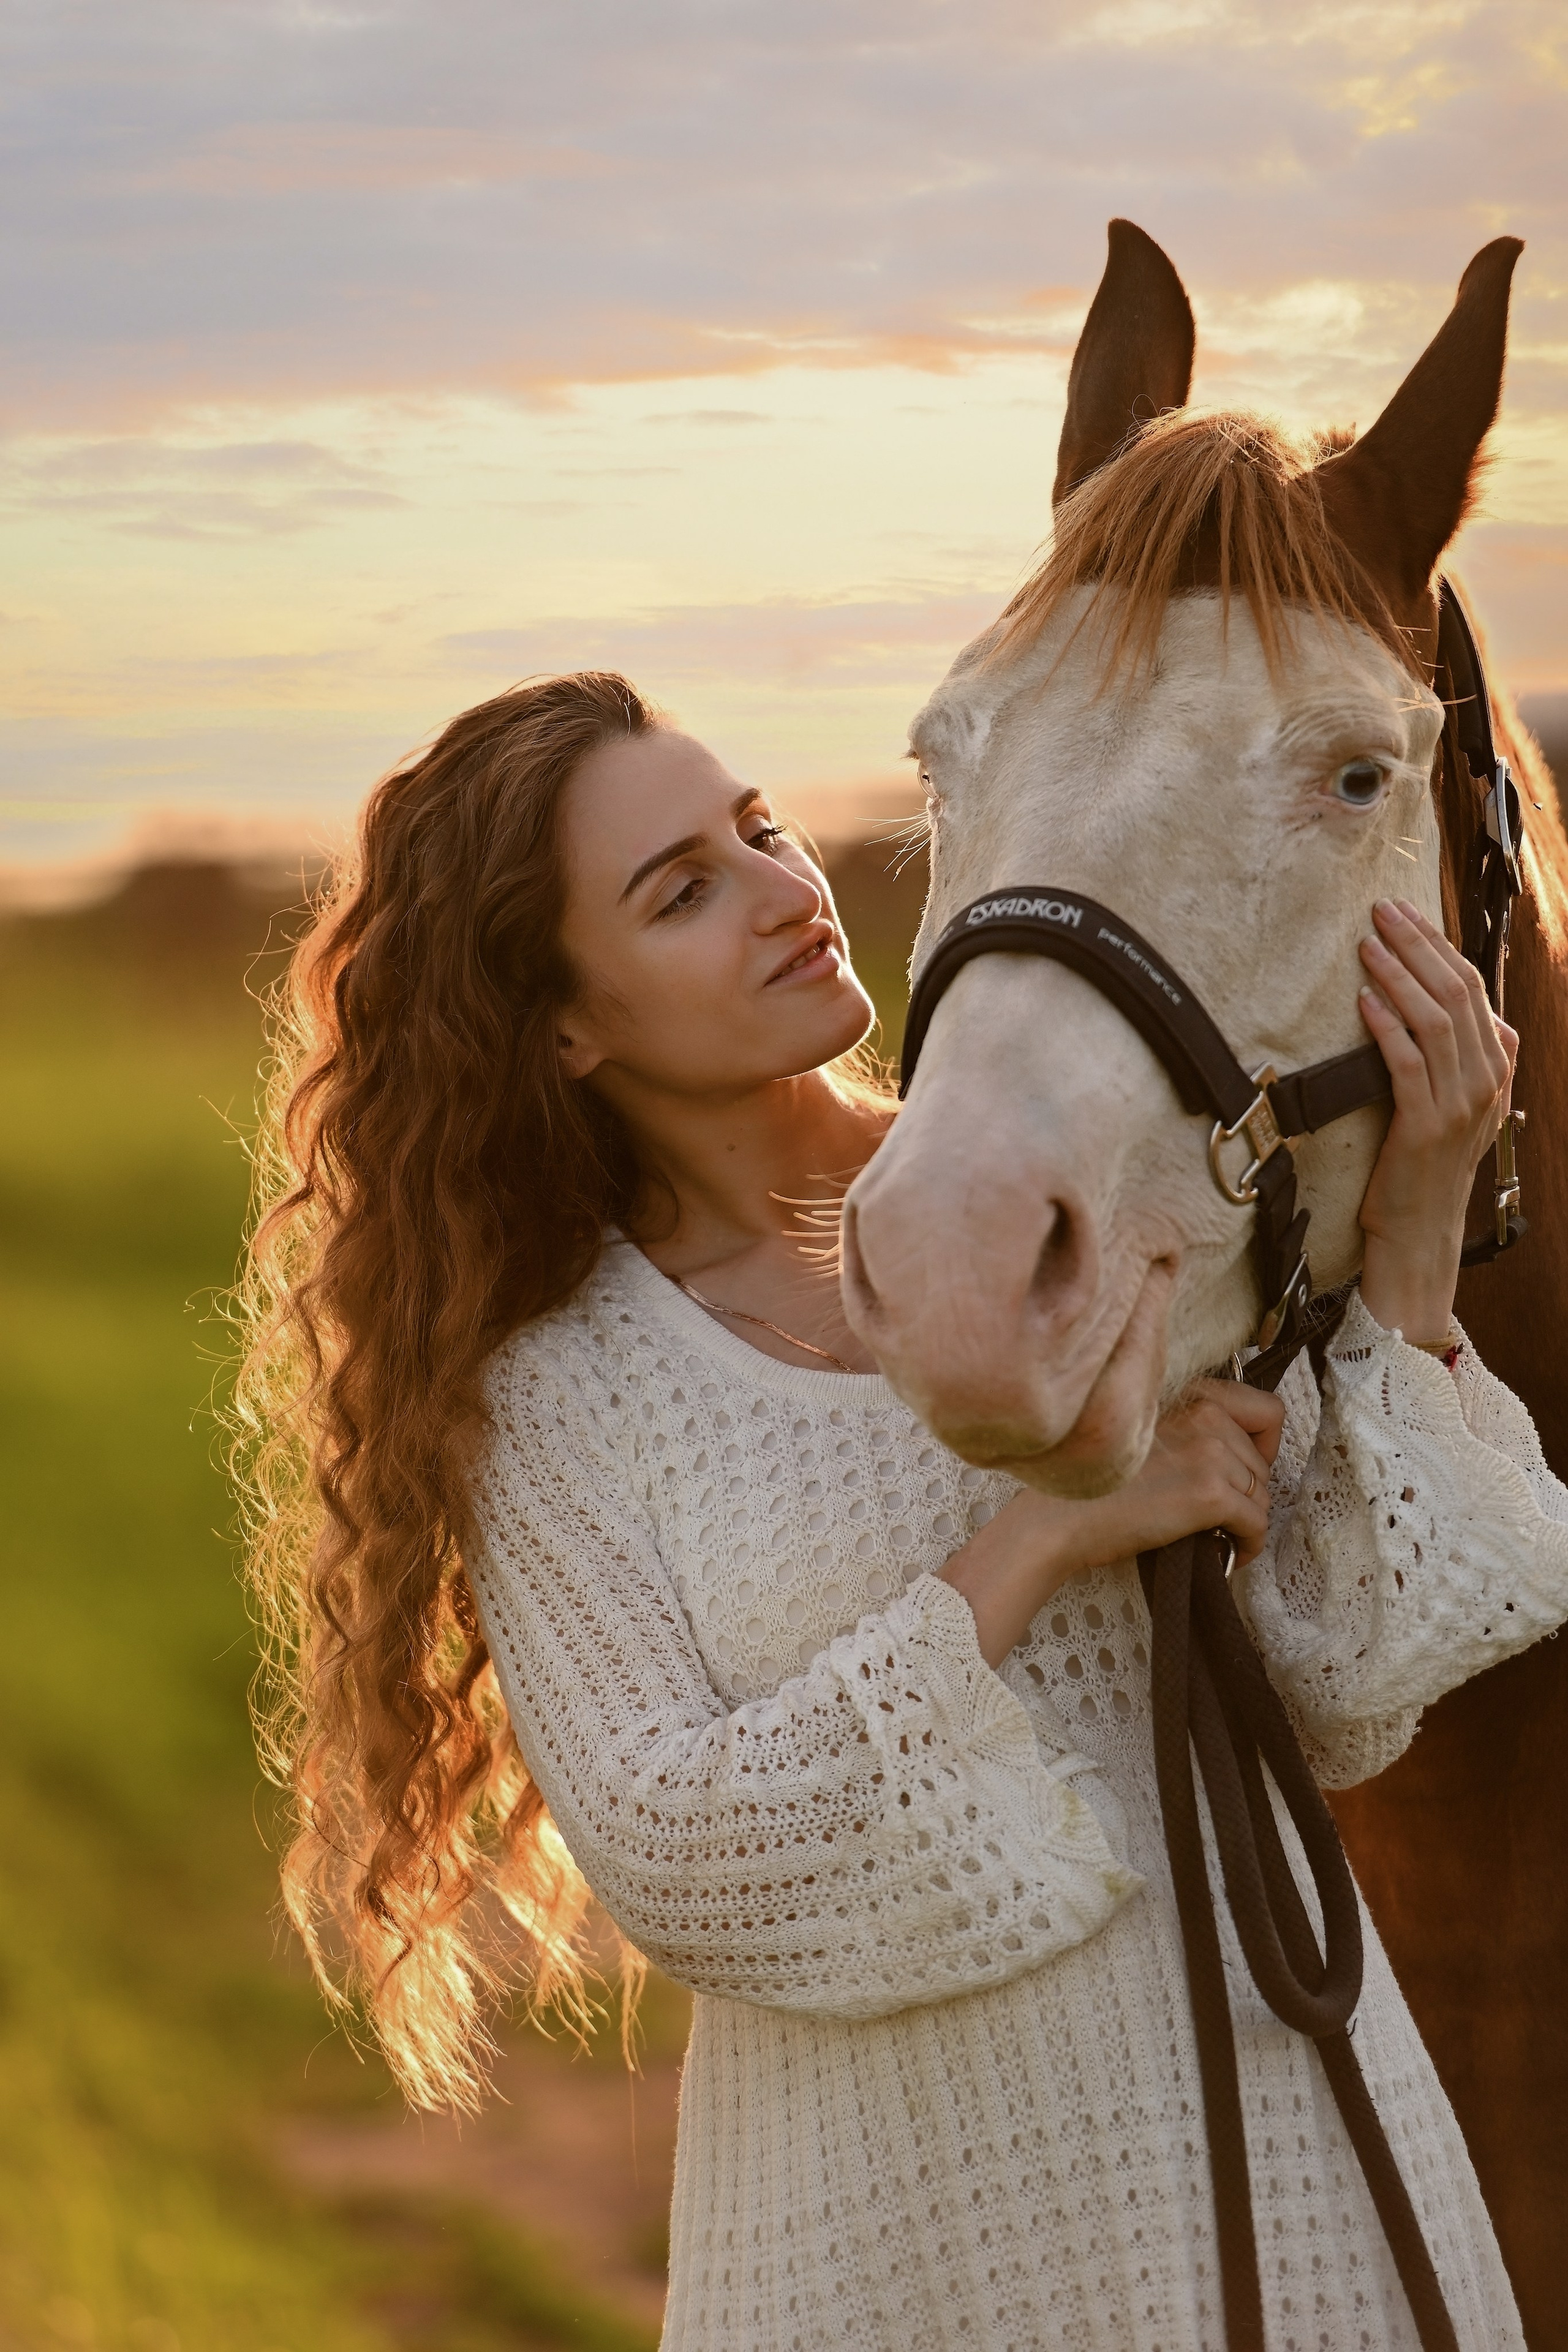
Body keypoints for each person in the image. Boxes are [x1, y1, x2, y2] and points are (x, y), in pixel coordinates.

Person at [238, 666, 1568, 2350]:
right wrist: (1044, 1536)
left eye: (759, 826)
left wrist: (1420, 1242)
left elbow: (1353, 1685)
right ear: (565, 1023)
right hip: (878, 2241)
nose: (789, 895)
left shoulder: (1084, 1206)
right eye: (684, 892)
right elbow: (684, 1852)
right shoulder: (560, 1391)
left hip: (1267, 2162)